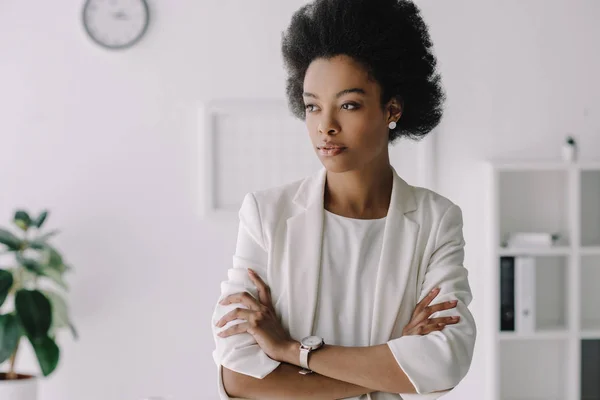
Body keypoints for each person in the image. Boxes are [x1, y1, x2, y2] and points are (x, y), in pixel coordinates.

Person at [211, 0, 477, 399]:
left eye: (348, 105)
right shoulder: (266, 214)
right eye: (312, 106)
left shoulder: (436, 220)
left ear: (392, 109)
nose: (326, 126)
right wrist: (392, 364)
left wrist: (290, 351)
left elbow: (444, 364)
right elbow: (239, 378)